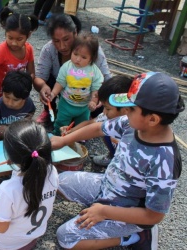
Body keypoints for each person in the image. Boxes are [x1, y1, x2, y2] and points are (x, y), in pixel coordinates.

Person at [51, 72, 185, 249]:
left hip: (127, 212)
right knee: (59, 180)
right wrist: (64, 140)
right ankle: (98, 209)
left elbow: (154, 216)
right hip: (108, 186)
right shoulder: (133, 124)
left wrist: (104, 211)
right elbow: (99, 128)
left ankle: (134, 236)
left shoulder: (163, 161)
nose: (125, 112)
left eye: (130, 109)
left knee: (66, 237)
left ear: (152, 119)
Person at [0, 120, 58, 250]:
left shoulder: (8, 189)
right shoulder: (52, 172)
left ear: (10, 157)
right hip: (33, 236)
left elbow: (0, 227)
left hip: (8, 245)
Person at [34, 13, 111, 128]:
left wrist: (97, 97)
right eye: (56, 41)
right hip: (63, 92)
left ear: (75, 32)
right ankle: (50, 109)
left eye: (66, 39)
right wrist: (44, 87)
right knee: (48, 83)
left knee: (99, 112)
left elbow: (107, 80)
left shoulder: (93, 50)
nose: (62, 46)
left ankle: (84, 120)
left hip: (87, 95)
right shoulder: (49, 49)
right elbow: (39, 76)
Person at [60, 75, 132, 168]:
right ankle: (112, 155)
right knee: (104, 131)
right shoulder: (108, 116)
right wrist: (71, 131)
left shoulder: (133, 127)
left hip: (128, 162)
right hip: (117, 149)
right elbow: (90, 123)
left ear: (125, 109)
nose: (104, 112)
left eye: (107, 108)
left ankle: (117, 163)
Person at [48, 32, 103, 136]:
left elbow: (96, 89)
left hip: (84, 106)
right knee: (61, 121)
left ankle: (77, 139)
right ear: (71, 51)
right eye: (75, 54)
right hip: (66, 103)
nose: (78, 59)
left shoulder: (94, 71)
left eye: (83, 57)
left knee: (82, 124)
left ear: (92, 58)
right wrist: (53, 94)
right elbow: (60, 82)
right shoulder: (67, 67)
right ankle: (57, 135)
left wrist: (93, 101)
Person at [0, 71, 36, 141]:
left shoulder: (28, 103)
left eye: (15, 100)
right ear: (2, 91)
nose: (10, 102)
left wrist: (26, 120)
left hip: (14, 126)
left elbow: (31, 111)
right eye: (6, 97)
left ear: (25, 98)